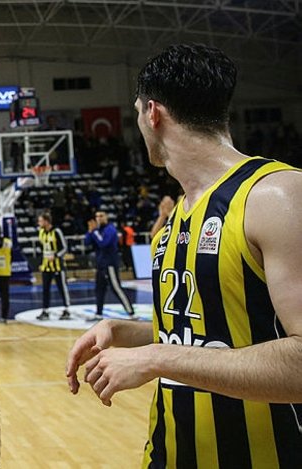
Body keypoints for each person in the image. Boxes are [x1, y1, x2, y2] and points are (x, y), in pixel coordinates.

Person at [66, 44, 302, 467]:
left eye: (137, 114)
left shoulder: (276, 195)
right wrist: (125, 332)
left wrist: (156, 358)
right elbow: (209, 337)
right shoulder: (175, 218)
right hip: (167, 454)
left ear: (152, 113)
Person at [84, 211, 135, 320]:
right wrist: (90, 231)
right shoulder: (97, 230)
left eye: (101, 216)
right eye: (97, 216)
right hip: (100, 264)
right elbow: (87, 243)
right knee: (99, 289)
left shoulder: (110, 229)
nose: (98, 218)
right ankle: (98, 313)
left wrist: (94, 232)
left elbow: (103, 243)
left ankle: (131, 313)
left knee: (116, 288)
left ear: (106, 217)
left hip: (110, 264)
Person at [35, 212, 71, 321]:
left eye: (41, 221)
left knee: (62, 288)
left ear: (46, 221)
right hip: (46, 266)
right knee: (45, 289)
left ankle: (67, 309)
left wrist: (56, 256)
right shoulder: (41, 232)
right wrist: (41, 262)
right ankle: (45, 311)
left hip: (58, 266)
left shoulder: (56, 231)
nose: (39, 223)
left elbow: (65, 248)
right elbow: (41, 248)